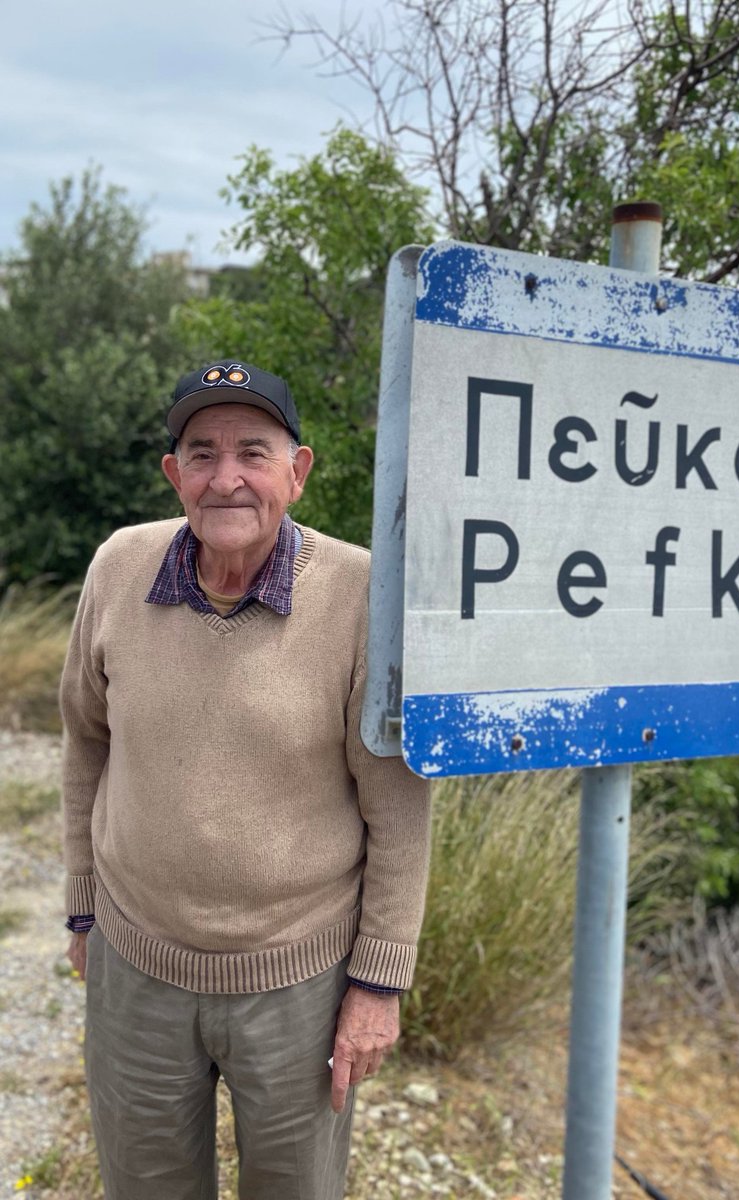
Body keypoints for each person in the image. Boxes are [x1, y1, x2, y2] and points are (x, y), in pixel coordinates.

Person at [60, 360, 431, 1200]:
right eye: (201, 453)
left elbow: (399, 809)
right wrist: (83, 900)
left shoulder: (362, 593)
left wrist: (376, 983)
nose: (226, 479)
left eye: (253, 453)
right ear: (174, 474)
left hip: (299, 977)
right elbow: (85, 738)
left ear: (296, 473)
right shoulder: (119, 567)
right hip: (136, 960)